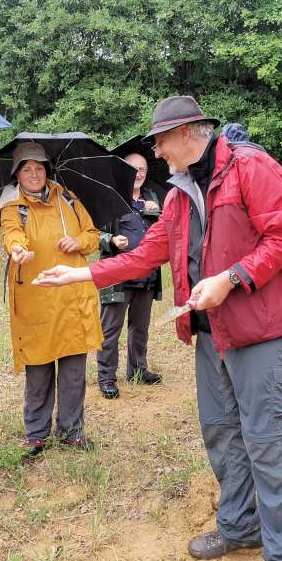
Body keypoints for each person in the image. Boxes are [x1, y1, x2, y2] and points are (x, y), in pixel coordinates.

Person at [35, 96, 282, 561]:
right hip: (211, 334)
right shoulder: (180, 192)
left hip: (258, 332)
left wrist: (231, 278)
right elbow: (147, 253)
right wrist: (81, 274)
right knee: (221, 433)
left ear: (185, 134)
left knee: (267, 442)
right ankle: (240, 527)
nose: (157, 152)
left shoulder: (249, 167)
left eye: (160, 141)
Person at [0, 141, 103, 458]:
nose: (34, 174)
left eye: (39, 168)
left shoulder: (68, 198)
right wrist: (18, 249)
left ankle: (72, 431)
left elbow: (93, 235)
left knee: (73, 372)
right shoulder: (13, 206)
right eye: (26, 169)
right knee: (38, 371)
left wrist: (79, 241)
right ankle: (36, 435)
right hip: (36, 298)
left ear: (48, 170)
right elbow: (11, 234)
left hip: (73, 297)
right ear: (17, 174)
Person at [96, 152, 164, 399]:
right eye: (133, 168)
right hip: (117, 276)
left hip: (146, 275)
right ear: (124, 170)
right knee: (110, 329)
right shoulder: (110, 198)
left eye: (142, 169)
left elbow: (164, 229)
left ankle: (138, 370)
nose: (138, 173)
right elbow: (91, 233)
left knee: (140, 327)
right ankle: (106, 377)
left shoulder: (152, 197)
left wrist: (158, 213)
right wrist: (111, 239)